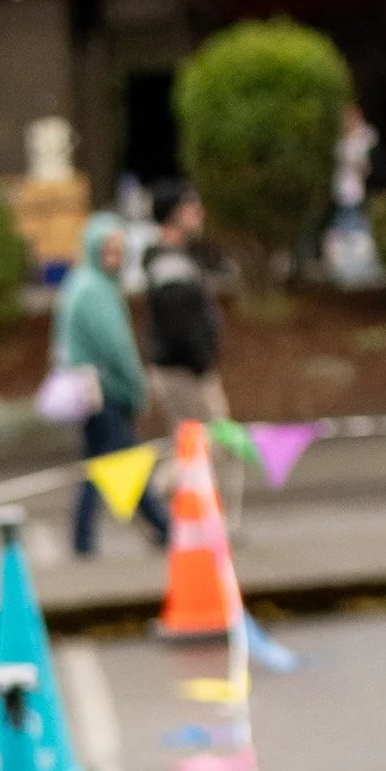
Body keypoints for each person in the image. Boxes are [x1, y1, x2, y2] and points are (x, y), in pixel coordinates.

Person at [57, 217, 171, 560]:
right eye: (106, 250)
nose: (114, 257)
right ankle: (167, 529)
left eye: (118, 250)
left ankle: (83, 539)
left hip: (91, 394)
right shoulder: (94, 291)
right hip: (106, 394)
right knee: (128, 466)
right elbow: (117, 348)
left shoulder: (81, 284)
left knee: (100, 469)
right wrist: (137, 388)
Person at [144, 183, 229, 432]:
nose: (199, 211)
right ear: (173, 214)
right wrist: (199, 361)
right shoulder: (169, 267)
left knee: (196, 453)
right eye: (191, 206)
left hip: (188, 370)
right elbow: (178, 327)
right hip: (184, 373)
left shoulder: (181, 258)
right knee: (209, 449)